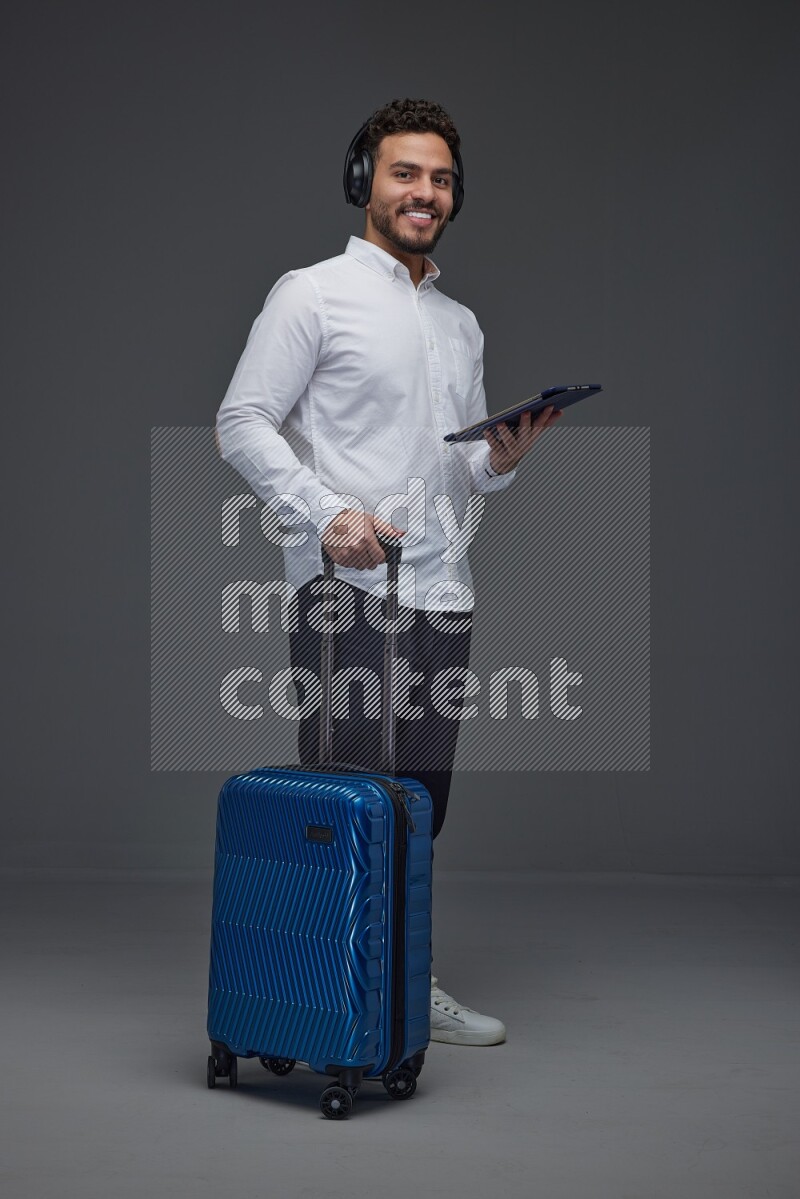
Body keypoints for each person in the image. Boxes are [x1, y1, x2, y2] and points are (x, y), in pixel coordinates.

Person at [215, 97, 561, 1046]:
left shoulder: (460, 323)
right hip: (348, 592)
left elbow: (454, 464)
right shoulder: (312, 292)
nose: (425, 191)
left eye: (441, 178)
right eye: (406, 172)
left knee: (418, 808)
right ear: (364, 178)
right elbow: (240, 420)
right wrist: (326, 517)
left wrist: (500, 457)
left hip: (442, 591)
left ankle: (401, 984)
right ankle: (330, 1002)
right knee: (349, 796)